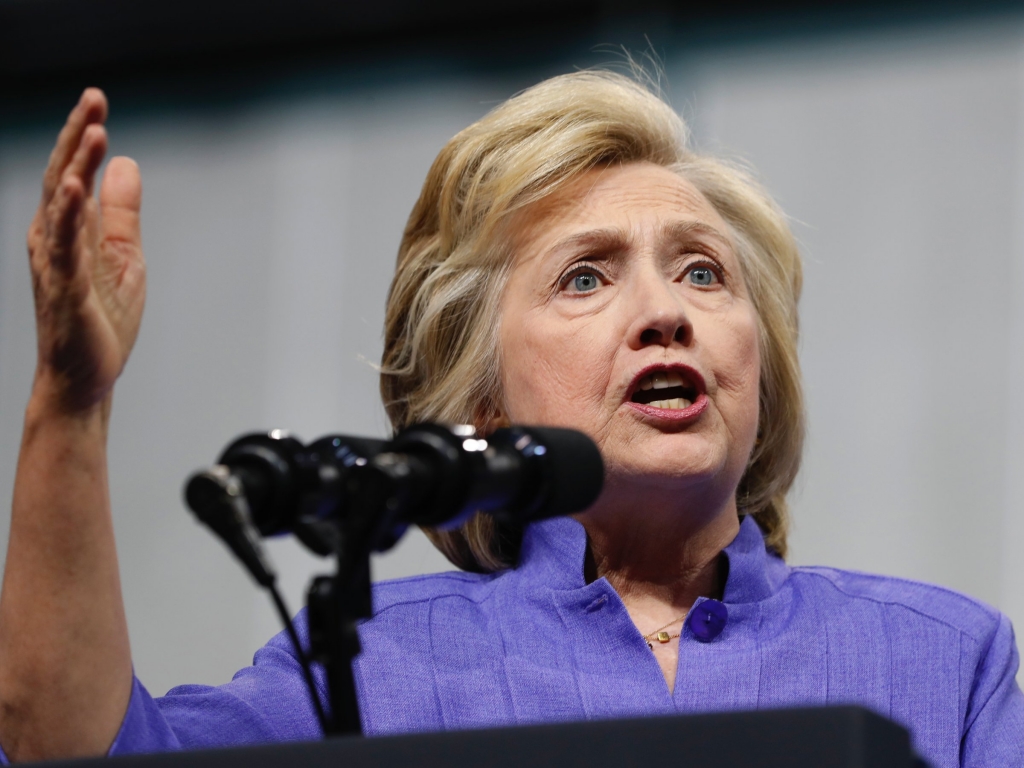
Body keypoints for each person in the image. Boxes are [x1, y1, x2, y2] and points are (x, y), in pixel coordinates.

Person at [1, 70, 1022, 768]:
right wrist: (70, 402)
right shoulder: (369, 669)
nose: (665, 311)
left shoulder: (944, 660)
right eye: (586, 277)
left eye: (702, 271)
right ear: (481, 396)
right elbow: (70, 753)